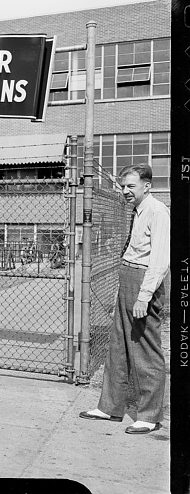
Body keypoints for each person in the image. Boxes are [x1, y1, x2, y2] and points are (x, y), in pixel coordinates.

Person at [79, 163, 170, 434]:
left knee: (145, 349)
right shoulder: (138, 211)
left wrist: (144, 296)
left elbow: (160, 260)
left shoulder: (157, 211)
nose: (126, 191)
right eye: (123, 187)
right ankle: (110, 407)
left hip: (143, 281)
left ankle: (150, 415)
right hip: (128, 276)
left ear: (147, 186)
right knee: (118, 345)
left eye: (131, 186)